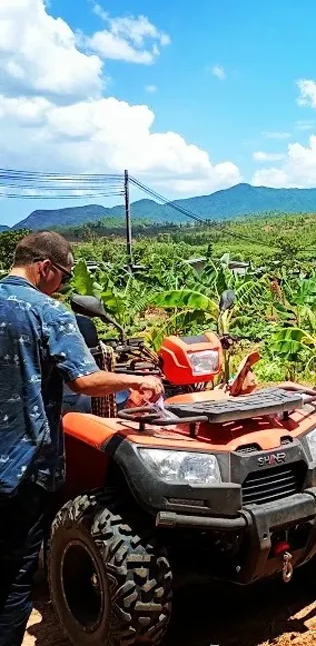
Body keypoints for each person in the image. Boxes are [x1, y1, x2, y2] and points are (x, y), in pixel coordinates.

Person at [0, 232, 164, 646]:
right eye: (65, 277)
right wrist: (136, 378)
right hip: (22, 467)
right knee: (14, 579)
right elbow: (85, 380)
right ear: (45, 268)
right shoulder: (46, 311)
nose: (64, 286)